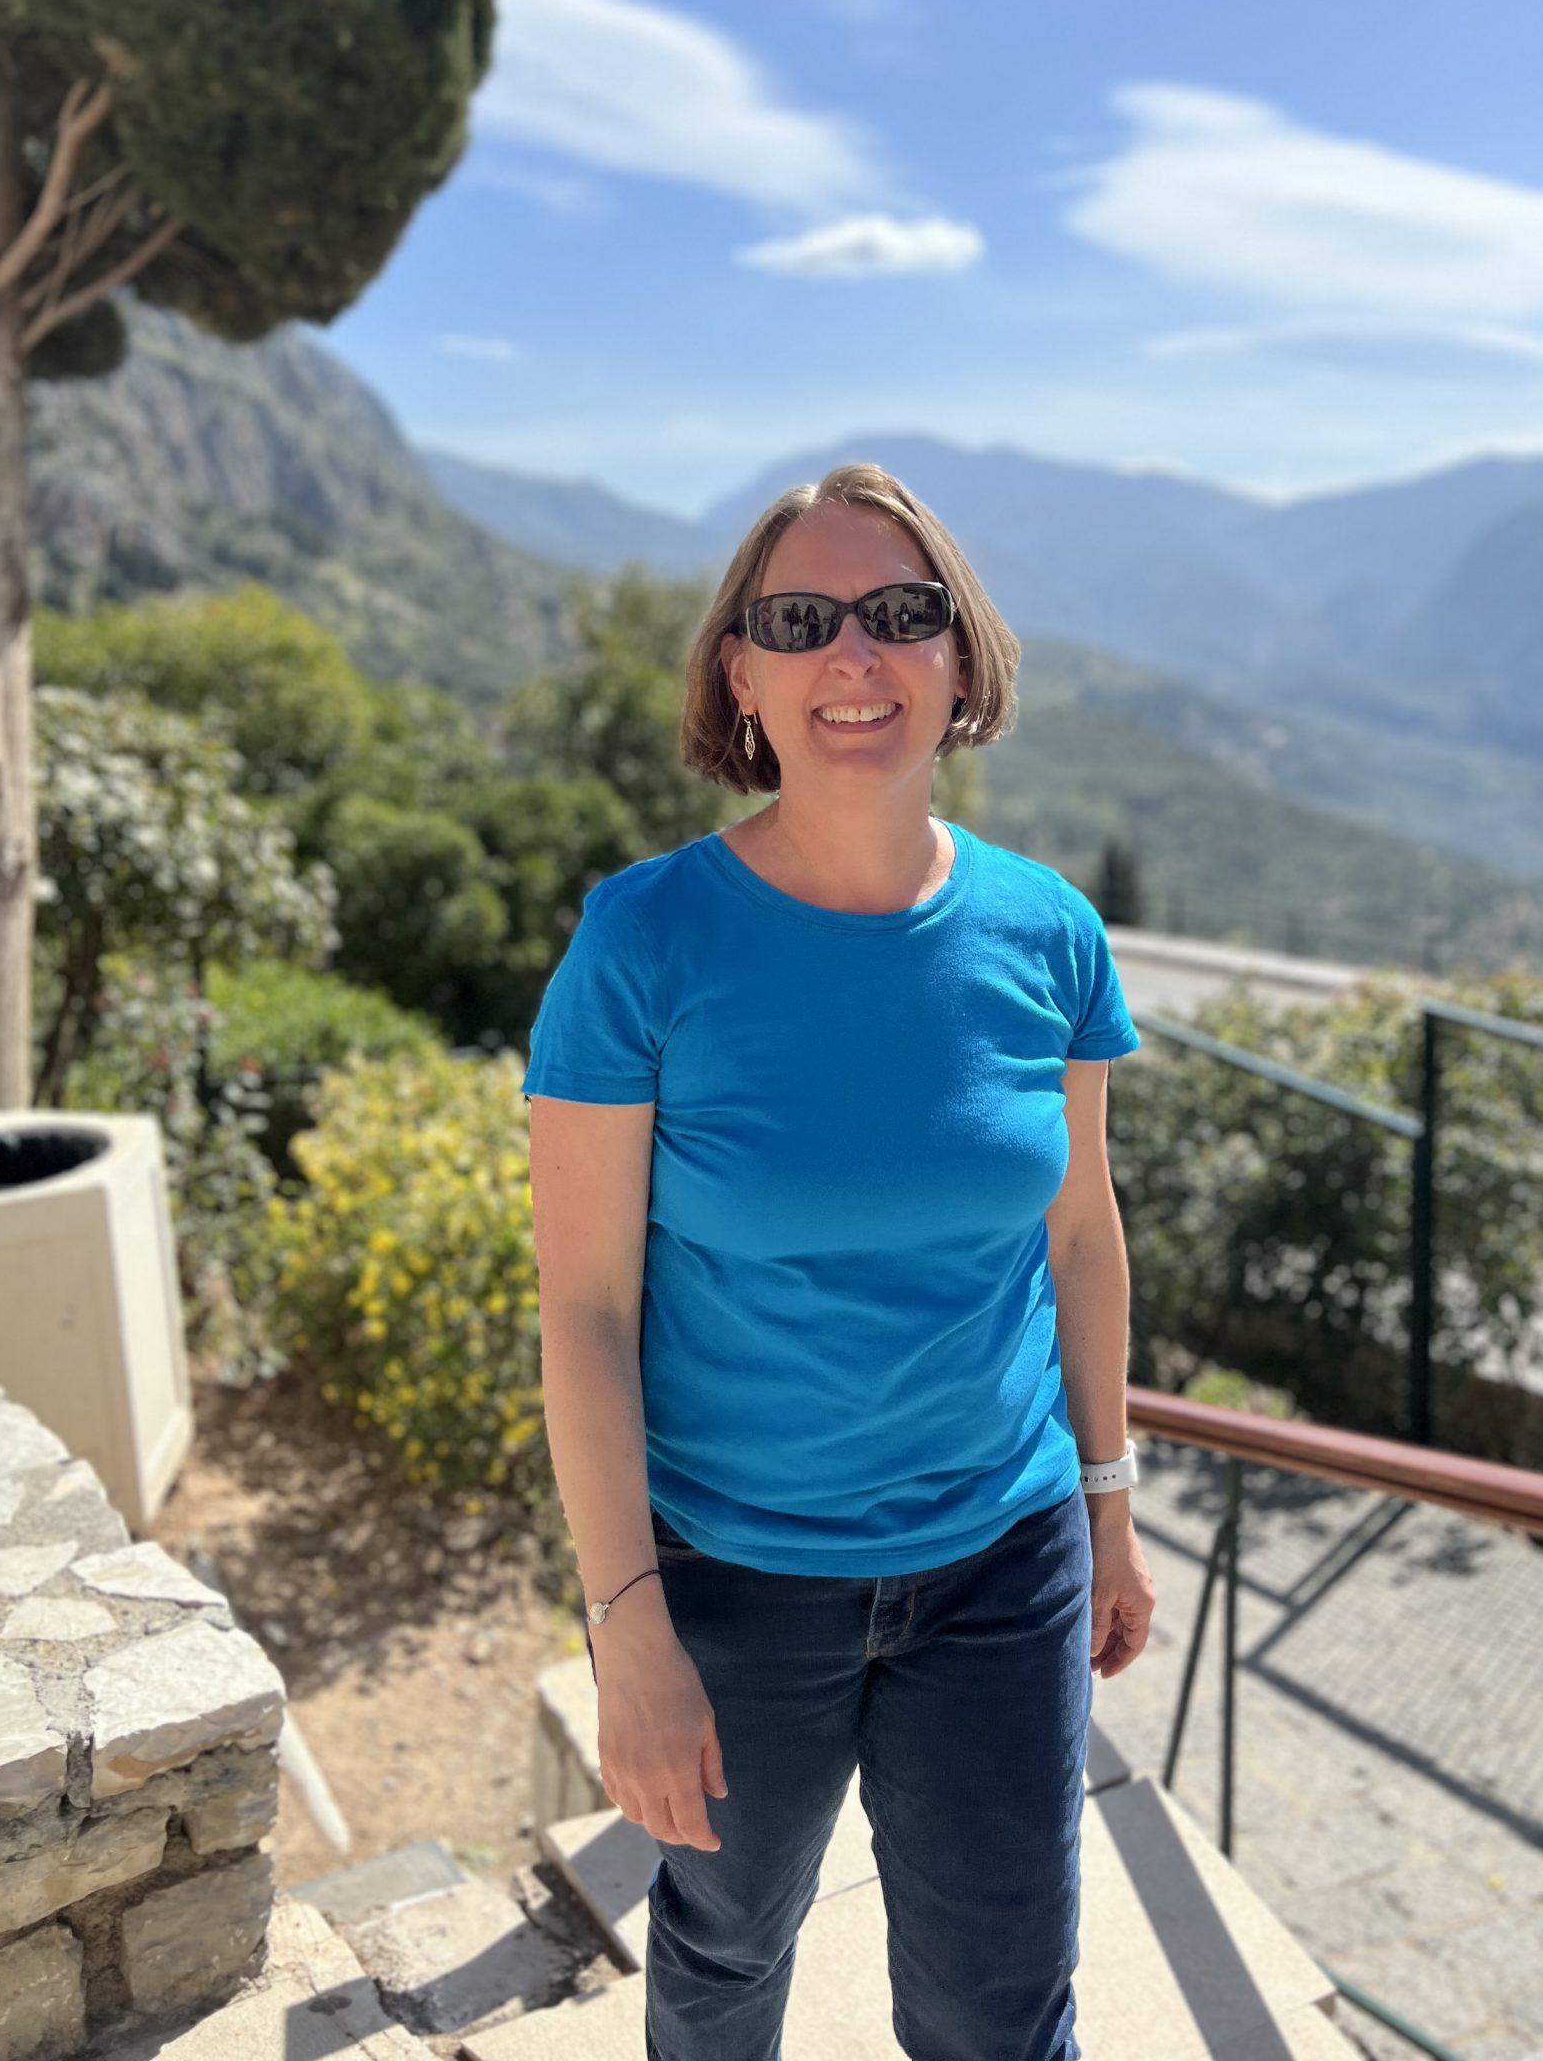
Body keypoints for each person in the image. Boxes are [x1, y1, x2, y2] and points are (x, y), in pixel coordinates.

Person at [524, 461, 1155, 2061]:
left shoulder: (1051, 933)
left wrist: (1109, 1504)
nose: (853, 657)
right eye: (800, 620)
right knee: (728, 1954)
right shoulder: (646, 940)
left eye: (901, 614)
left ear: (961, 658)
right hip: (734, 1582)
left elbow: (1078, 1230)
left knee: (1004, 2009)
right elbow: (587, 1311)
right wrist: (632, 1632)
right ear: (741, 672)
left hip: (1006, 1572)